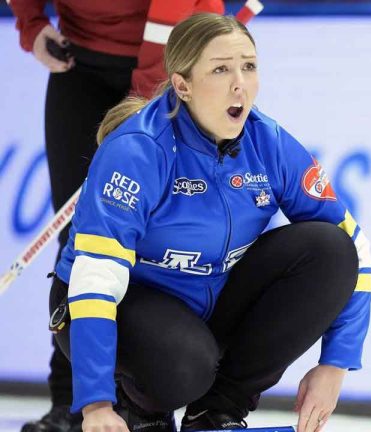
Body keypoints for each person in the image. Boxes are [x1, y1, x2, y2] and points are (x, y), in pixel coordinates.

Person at [47, 12, 371, 432]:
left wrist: (336, 364)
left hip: (201, 306)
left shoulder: (269, 143)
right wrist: (96, 405)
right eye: (221, 69)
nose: (240, 83)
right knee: (187, 364)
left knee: (329, 248)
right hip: (114, 302)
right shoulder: (137, 152)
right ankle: (140, 408)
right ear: (182, 85)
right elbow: (95, 280)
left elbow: (356, 250)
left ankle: (216, 412)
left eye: (249, 66)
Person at [7, 2, 262, 431]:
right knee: (82, 240)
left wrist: (151, 94)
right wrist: (31, 24)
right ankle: (72, 402)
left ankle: (145, 399)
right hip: (79, 61)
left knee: (149, 236)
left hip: (170, 63)